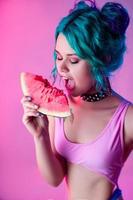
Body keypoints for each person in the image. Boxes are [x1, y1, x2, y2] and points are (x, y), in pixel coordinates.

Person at [21, 0, 133, 199]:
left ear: (102, 60)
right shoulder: (62, 108)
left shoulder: (126, 117)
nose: (62, 69)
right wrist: (40, 136)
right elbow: (55, 178)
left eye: (73, 60)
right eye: (58, 56)